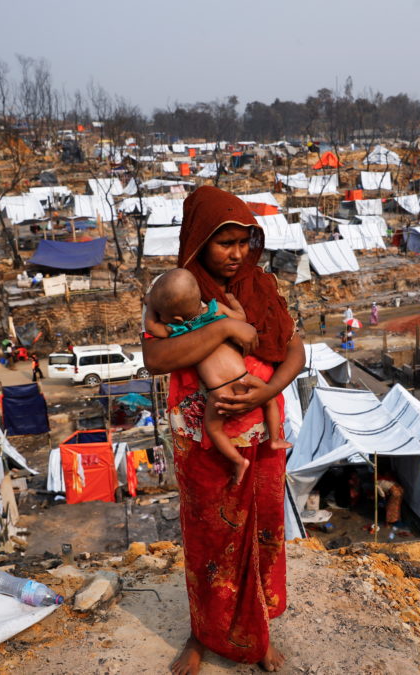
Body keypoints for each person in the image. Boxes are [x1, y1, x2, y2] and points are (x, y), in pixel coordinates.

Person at [141, 186, 303, 673]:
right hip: (203, 438)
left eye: (242, 241)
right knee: (211, 538)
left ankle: (259, 633)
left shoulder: (262, 285)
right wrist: (225, 330)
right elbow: (155, 357)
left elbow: (295, 348)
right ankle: (202, 632)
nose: (236, 254)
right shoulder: (173, 289)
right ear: (198, 240)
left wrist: (267, 389)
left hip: (261, 424)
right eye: (223, 242)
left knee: (262, 533)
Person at [144, 268, 291, 486]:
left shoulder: (179, 330)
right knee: (268, 399)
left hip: (219, 391)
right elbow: (240, 318)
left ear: (174, 317)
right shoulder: (215, 309)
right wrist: (234, 302)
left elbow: (152, 328)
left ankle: (237, 461)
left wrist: (150, 308)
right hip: (245, 379)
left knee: (213, 429)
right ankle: (276, 440)